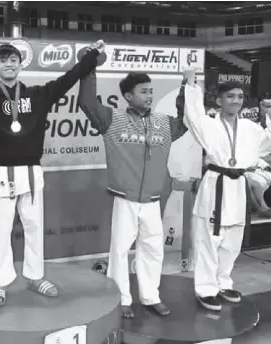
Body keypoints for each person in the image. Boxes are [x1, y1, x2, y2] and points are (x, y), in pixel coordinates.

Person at [0, 39, 104, 307]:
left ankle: (36, 276)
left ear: (20, 65)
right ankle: (0, 282)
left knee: (34, 226)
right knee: (0, 228)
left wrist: (92, 56)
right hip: (1, 171)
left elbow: (68, 78)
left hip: (31, 170)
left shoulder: (38, 95)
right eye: (3, 60)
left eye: (13, 59)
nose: (9, 63)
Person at [78, 69, 188, 318]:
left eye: (151, 91)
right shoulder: (111, 119)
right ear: (128, 95)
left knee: (153, 250)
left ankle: (151, 297)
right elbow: (86, 102)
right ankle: (122, 298)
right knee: (119, 250)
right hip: (124, 198)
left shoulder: (164, 122)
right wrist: (89, 67)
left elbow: (187, 119)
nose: (149, 95)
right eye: (143, 91)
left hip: (152, 201)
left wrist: (186, 88)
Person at [181, 68, 271, 311]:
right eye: (230, 96)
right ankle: (205, 288)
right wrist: (190, 86)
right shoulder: (208, 125)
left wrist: (270, 114)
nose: (236, 101)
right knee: (209, 238)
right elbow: (191, 115)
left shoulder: (249, 128)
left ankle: (223, 283)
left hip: (238, 185)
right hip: (216, 183)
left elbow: (269, 142)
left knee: (232, 238)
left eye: (240, 97)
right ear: (219, 100)